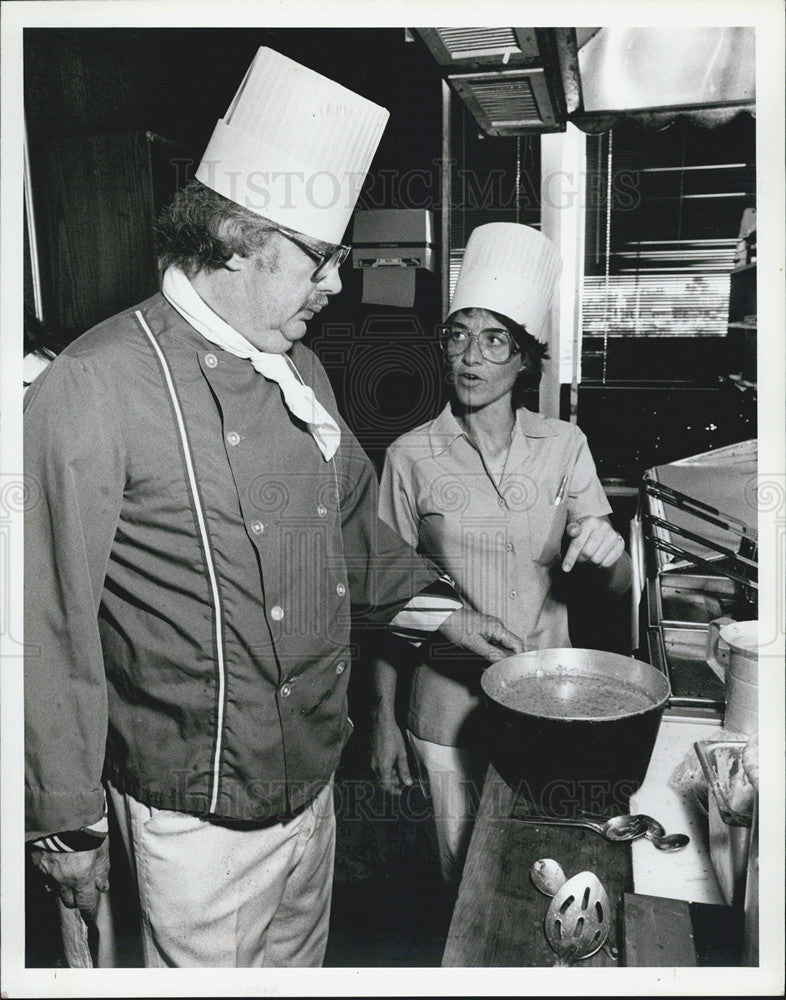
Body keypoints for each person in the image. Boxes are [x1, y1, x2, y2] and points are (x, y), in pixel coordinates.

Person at [24, 50, 524, 968]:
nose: (337, 284)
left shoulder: (300, 370)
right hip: (193, 826)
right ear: (236, 237)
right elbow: (46, 625)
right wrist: (65, 823)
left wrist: (455, 617)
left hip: (312, 792)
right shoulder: (94, 385)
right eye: (322, 260)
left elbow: (353, 538)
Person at [369, 222, 632, 885]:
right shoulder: (410, 456)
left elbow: (615, 589)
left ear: (524, 358)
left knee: (542, 864)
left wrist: (612, 550)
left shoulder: (564, 446)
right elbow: (383, 597)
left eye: (493, 340)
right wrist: (378, 719)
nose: (471, 357)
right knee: (461, 878)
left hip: (547, 703)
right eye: (458, 335)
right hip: (445, 707)